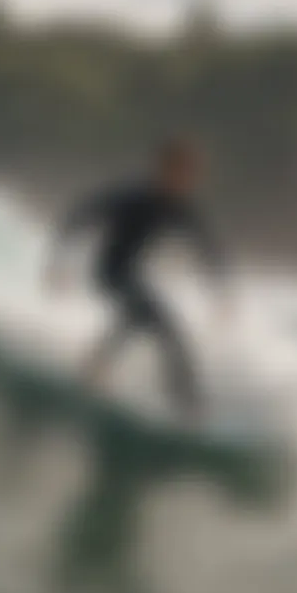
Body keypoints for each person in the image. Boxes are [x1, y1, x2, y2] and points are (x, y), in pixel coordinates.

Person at [45, 136, 233, 417]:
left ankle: (100, 371)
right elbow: (83, 213)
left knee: (154, 325)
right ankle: (186, 406)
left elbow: (206, 247)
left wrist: (221, 293)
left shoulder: (180, 207)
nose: (190, 180)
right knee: (156, 323)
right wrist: (59, 261)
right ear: (165, 169)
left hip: (131, 276)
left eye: (192, 174)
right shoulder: (134, 196)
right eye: (184, 171)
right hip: (108, 272)